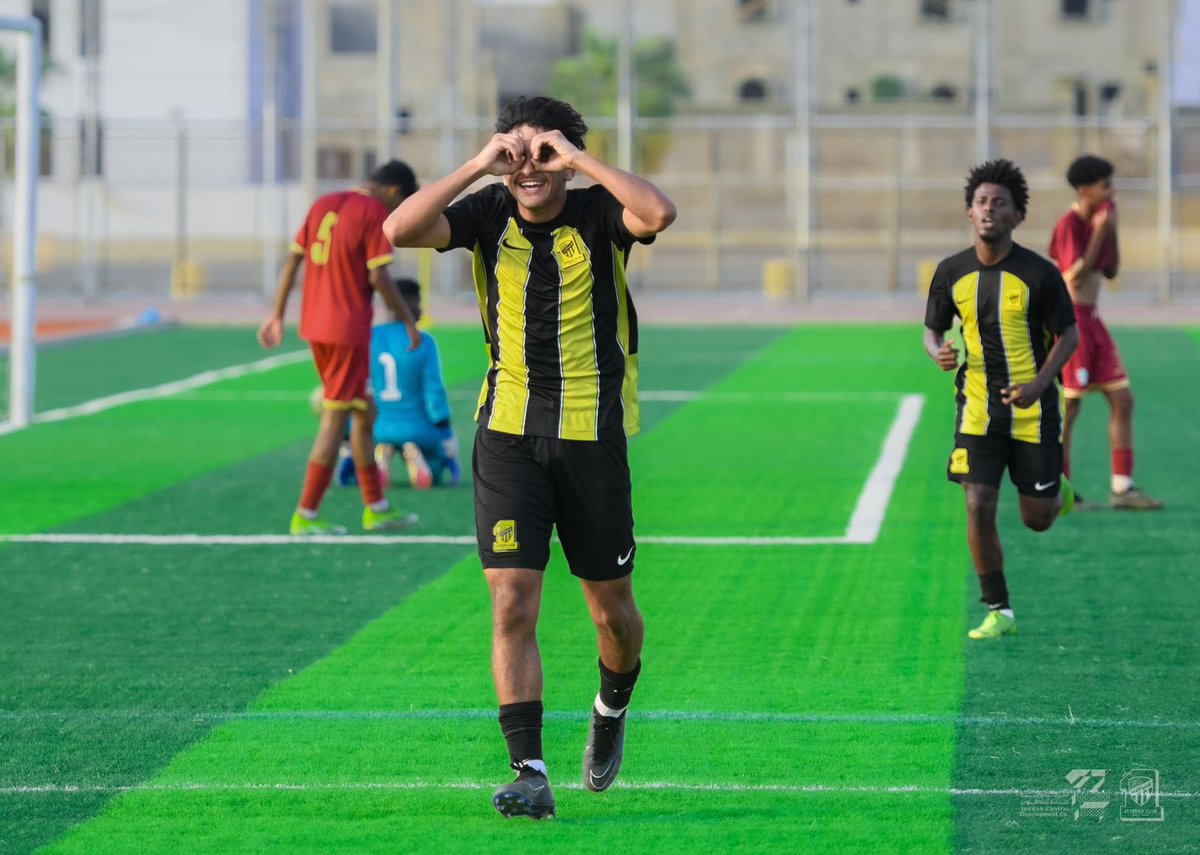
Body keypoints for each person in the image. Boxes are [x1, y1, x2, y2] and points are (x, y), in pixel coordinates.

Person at [383, 95, 676, 819]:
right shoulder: (486, 211)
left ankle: (611, 706)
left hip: (591, 437)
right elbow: (398, 228)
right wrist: (484, 160)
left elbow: (658, 214)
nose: (527, 165)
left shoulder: (599, 212)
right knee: (511, 597)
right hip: (507, 434)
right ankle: (531, 768)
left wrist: (574, 157)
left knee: (612, 615)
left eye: (540, 152)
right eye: (517, 153)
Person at [924, 159, 1079, 640]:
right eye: (982, 202)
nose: (989, 209)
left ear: (1016, 216)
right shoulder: (951, 272)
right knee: (978, 506)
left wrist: (1038, 385)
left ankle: (1057, 492)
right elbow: (932, 328)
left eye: (1000, 203)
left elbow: (1069, 336)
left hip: (1033, 414)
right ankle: (999, 610)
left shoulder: (1039, 274)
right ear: (969, 212)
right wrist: (938, 352)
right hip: (976, 412)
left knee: (1037, 521)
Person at [258, 160, 423, 536]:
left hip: (315, 325)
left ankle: (376, 507)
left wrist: (277, 314)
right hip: (346, 329)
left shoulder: (323, 203)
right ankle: (306, 514)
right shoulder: (374, 212)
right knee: (335, 420)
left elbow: (293, 260)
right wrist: (408, 321)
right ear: (396, 193)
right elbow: (378, 275)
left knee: (364, 413)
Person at [1048, 155, 1162, 511]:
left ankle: (1122, 488)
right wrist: (1099, 230)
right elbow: (1076, 277)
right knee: (1070, 406)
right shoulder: (1070, 224)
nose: (1112, 191)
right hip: (1072, 322)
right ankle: (1058, 490)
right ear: (1084, 191)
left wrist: (1112, 230)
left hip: (1094, 319)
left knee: (1122, 399)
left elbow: (1110, 271)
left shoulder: (1101, 220)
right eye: (1105, 185)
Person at [335, 278, 462, 490]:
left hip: (376, 428)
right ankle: (415, 455)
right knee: (437, 471)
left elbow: (355, 388)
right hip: (417, 427)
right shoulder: (423, 341)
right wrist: (445, 432)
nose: (421, 309)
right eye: (419, 302)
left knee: (359, 470)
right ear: (408, 303)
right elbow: (434, 391)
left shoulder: (369, 337)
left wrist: (348, 437)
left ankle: (380, 456)